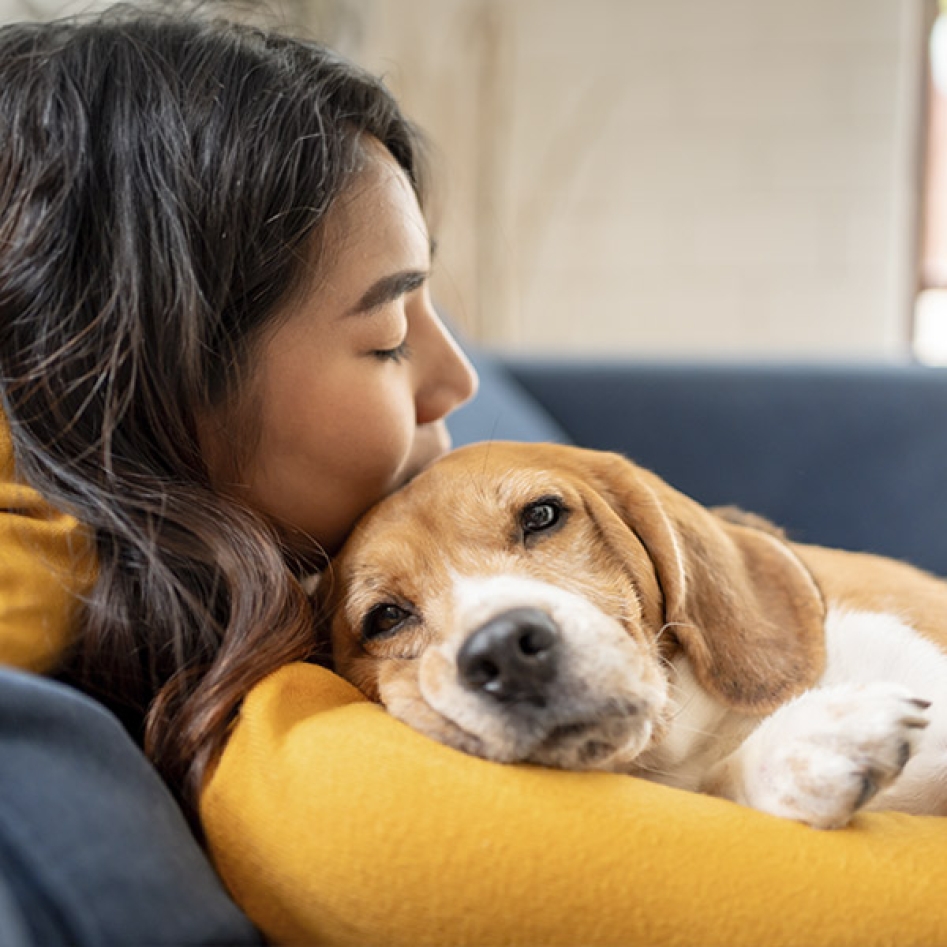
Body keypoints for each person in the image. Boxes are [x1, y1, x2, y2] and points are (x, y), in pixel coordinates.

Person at [1, 7, 947, 947]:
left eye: (430, 302)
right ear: (169, 389)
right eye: (385, 335)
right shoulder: (313, 782)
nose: (459, 379)